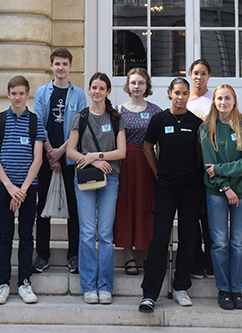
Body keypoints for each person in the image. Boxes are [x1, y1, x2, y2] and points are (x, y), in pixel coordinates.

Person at [139, 78, 203, 313]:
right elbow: (147, 147)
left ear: (189, 95)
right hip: (166, 186)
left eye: (185, 93)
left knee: (188, 237)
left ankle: (181, 287)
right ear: (169, 94)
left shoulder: (196, 123)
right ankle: (149, 293)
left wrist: (189, 173)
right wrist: (158, 173)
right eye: (177, 92)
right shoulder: (159, 119)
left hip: (190, 188)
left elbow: (198, 153)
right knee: (159, 238)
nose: (181, 97)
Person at [66, 72, 127, 305]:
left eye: (102, 88)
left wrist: (97, 155)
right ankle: (89, 285)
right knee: (88, 233)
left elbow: (121, 152)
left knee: (105, 233)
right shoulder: (79, 117)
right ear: (89, 90)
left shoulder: (116, 118)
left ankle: (105, 285)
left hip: (110, 179)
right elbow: (71, 151)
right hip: (85, 179)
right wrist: (92, 161)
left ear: (108, 91)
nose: (97, 92)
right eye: (94, 88)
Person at [0, 76, 46, 305]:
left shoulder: (35, 122)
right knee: (4, 236)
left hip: (28, 189)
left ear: (28, 94)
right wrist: (10, 187)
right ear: (8, 94)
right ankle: (3, 283)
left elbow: (38, 159)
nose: (17, 97)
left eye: (22, 93)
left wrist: (22, 189)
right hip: (5, 188)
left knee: (25, 235)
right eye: (14, 93)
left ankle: (24, 282)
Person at [200, 84, 242, 310]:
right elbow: (207, 164)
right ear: (213, 102)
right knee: (220, 242)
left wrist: (221, 170)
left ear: (234, 100)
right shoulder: (206, 128)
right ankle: (223, 289)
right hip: (217, 192)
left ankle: (236, 289)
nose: (223, 102)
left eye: (227, 98)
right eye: (219, 99)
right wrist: (224, 187)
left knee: (238, 243)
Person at [33, 48, 87, 274]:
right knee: (42, 208)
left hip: (70, 159)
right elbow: (37, 123)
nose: (61, 68)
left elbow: (79, 127)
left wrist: (62, 152)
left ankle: (73, 255)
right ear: (51, 66)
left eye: (65, 64)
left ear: (70, 67)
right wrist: (50, 153)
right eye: (57, 64)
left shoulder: (79, 94)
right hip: (45, 159)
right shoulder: (41, 92)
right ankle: (42, 255)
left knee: (74, 209)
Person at [113, 68, 162, 275]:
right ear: (127, 85)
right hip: (124, 165)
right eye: (133, 82)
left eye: (140, 83)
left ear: (147, 86)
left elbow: (160, 143)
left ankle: (148, 252)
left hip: (147, 164)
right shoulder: (117, 111)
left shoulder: (156, 111)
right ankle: (128, 256)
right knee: (125, 208)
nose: (136, 87)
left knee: (146, 207)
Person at [187, 59, 214, 279]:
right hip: (189, 164)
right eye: (196, 73)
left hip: (210, 163)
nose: (199, 77)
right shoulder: (185, 98)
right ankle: (195, 260)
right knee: (192, 215)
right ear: (190, 75)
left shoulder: (215, 98)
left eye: (203, 73)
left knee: (209, 216)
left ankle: (212, 261)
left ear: (208, 76)